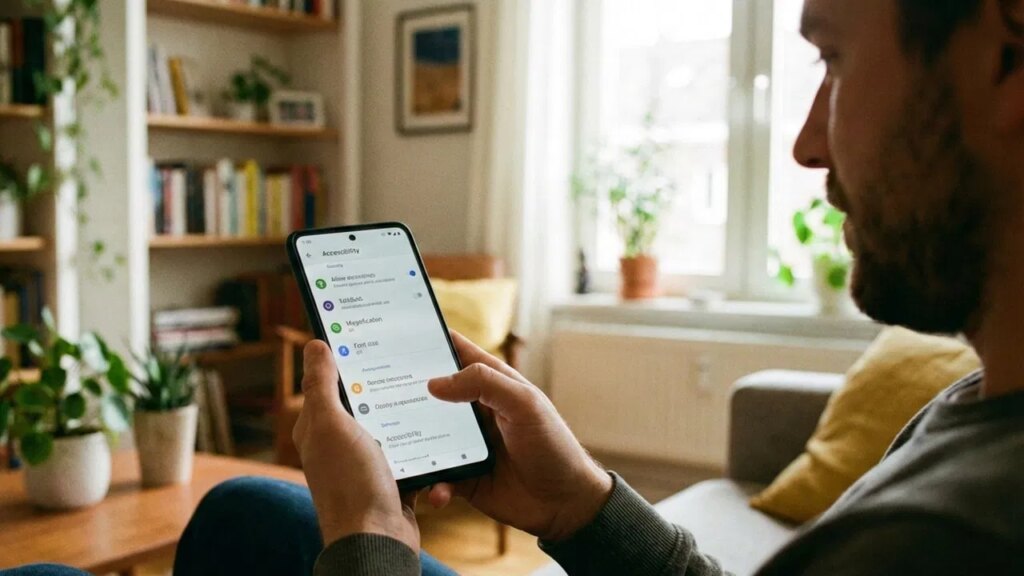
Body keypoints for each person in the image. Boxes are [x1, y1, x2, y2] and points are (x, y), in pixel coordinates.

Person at [3, 0, 1022, 574]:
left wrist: (370, 540)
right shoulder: (973, 405)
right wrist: (581, 503)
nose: (802, 142)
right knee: (245, 515)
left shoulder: (939, 546)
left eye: (832, 62)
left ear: (1007, 53)